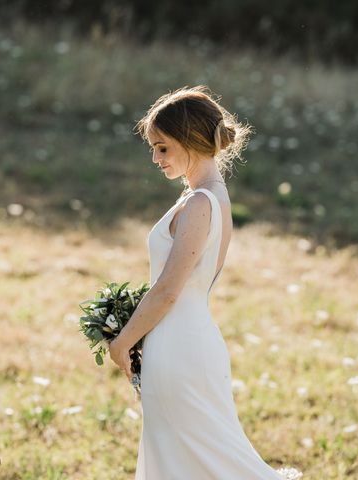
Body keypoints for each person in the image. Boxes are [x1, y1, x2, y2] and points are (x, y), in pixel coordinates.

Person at [108, 85, 288, 479]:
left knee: (214, 463)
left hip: (180, 349)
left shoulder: (201, 203)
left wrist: (122, 342)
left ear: (190, 140)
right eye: (153, 148)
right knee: (187, 462)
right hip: (183, 342)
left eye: (163, 147)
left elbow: (169, 289)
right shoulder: (208, 197)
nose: (155, 158)